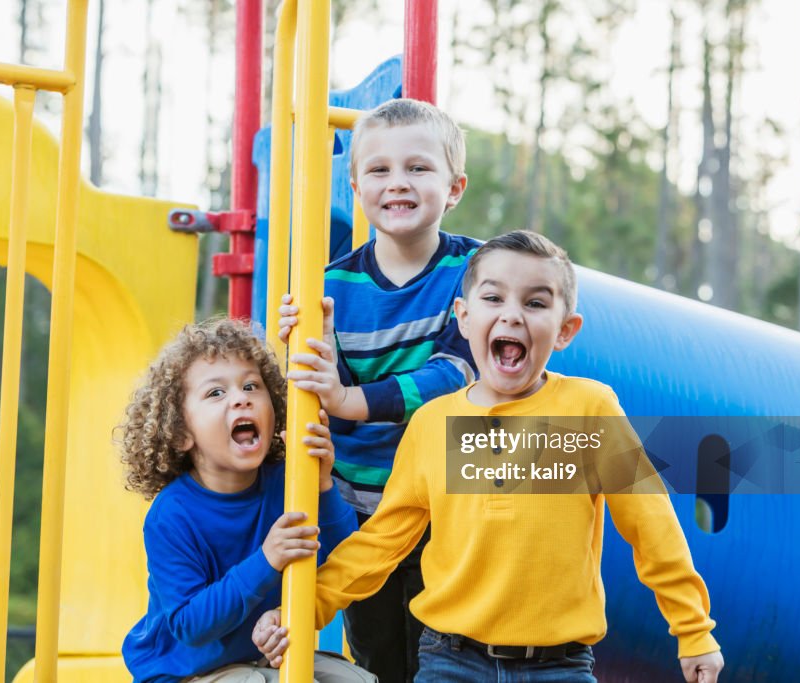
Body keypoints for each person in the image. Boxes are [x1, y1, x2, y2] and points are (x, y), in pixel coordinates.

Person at [259, 231, 725, 683]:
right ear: (463, 317)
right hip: (451, 659)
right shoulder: (433, 425)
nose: (512, 316)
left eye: (536, 303)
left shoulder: (589, 411)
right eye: (493, 298)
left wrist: (694, 631)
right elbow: (381, 542)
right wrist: (307, 605)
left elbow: (652, 525)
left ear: (566, 330)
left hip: (559, 665)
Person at [277, 98, 479, 682]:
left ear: (454, 186)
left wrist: (351, 400)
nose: (398, 183)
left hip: (449, 501)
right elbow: (318, 389)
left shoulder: (476, 271)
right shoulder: (330, 285)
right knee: (379, 650)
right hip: (364, 509)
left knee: (449, 649)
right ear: (356, 186)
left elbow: (456, 375)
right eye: (380, 171)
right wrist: (302, 342)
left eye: (418, 168)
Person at [118, 318, 373, 682]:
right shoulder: (172, 514)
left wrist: (323, 488)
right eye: (215, 393)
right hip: (184, 670)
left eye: (251, 386)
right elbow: (190, 625)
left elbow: (341, 556)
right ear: (180, 434)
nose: (241, 397)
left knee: (356, 680)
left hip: (260, 655)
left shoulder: (286, 481)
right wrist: (266, 560)